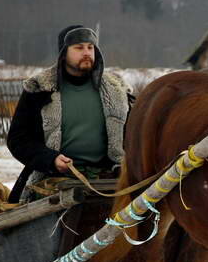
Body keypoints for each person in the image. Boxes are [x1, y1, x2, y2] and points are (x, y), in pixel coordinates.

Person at [7, 25, 132, 202]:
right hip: (53, 178)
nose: (87, 52)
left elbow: (134, 134)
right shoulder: (40, 89)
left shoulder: (117, 91)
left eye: (90, 47)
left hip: (109, 176)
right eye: (79, 48)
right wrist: (51, 160)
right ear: (64, 53)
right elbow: (18, 139)